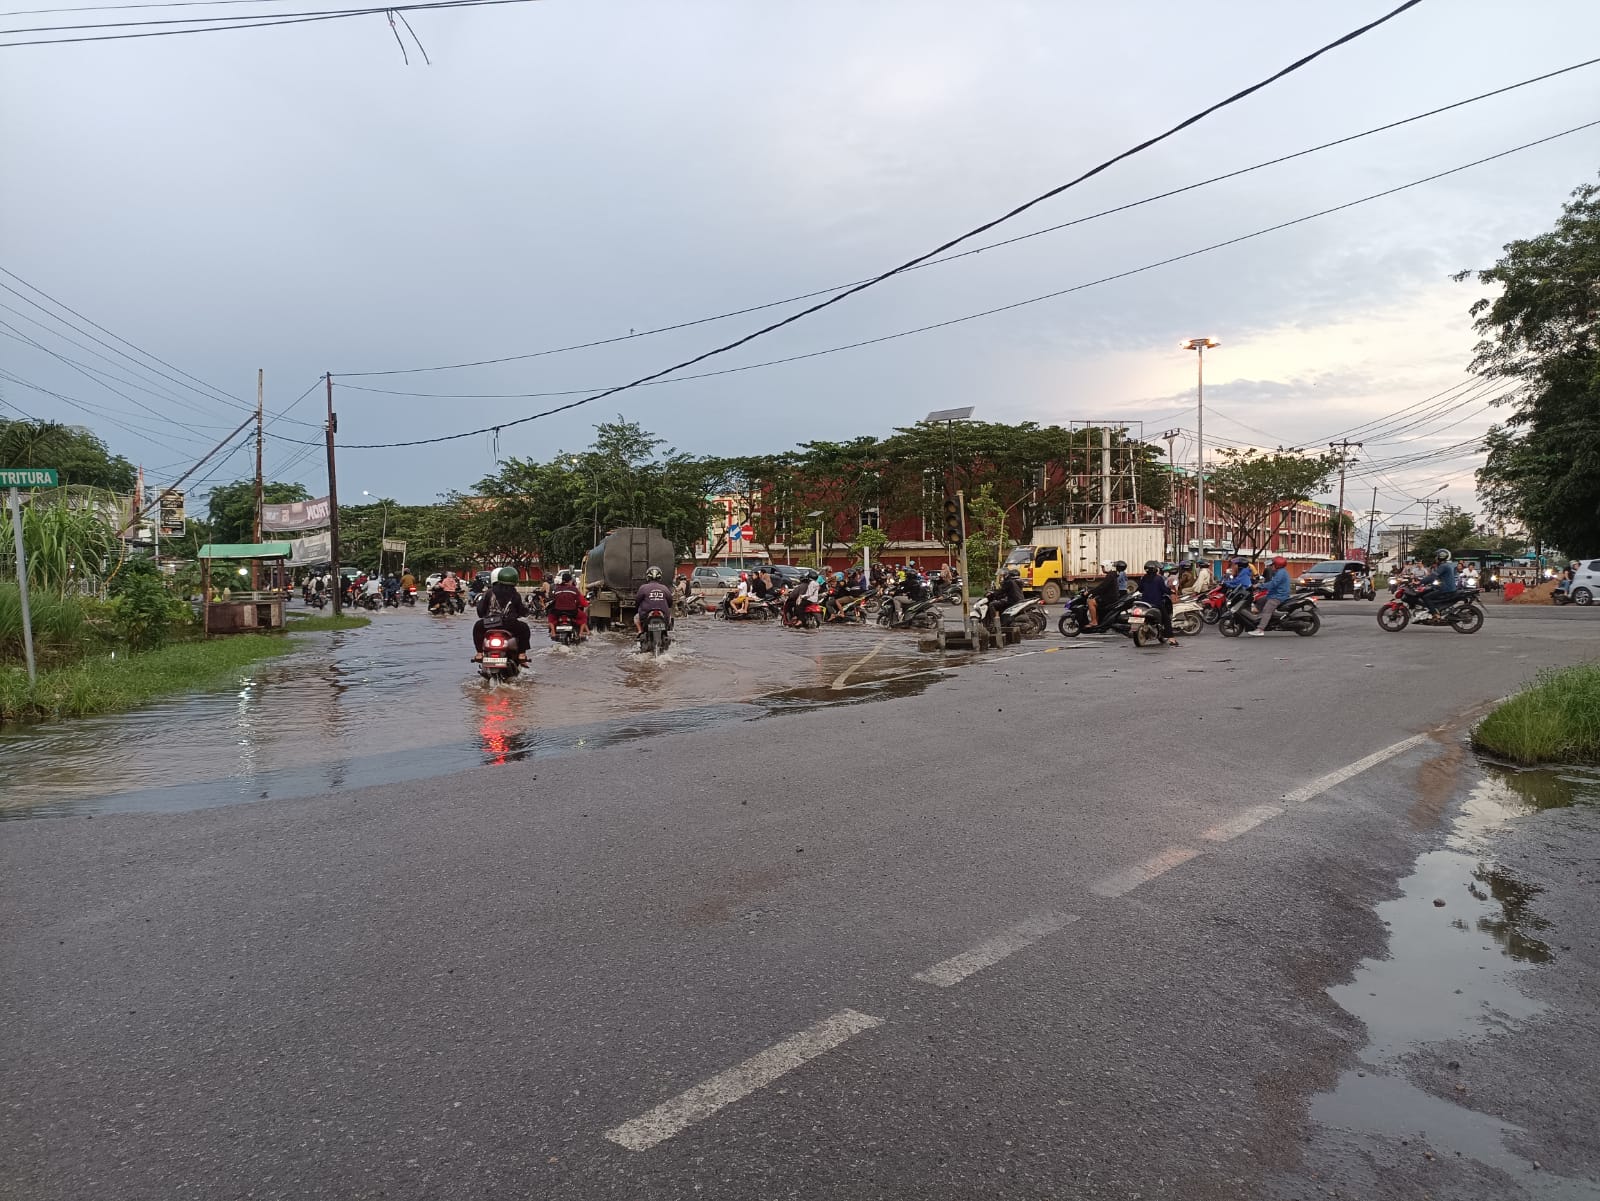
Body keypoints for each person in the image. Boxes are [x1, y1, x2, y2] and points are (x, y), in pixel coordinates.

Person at [472, 566, 531, 662]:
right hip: (509, 624)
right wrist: (524, 612)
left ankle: (479, 653)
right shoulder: (515, 594)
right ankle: (521, 654)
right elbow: (521, 611)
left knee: (477, 626)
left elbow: (480, 611)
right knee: (524, 628)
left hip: (489, 623)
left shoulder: (488, 592)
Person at [1136, 559, 1180, 646]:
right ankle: (1171, 639)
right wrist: (1171, 592)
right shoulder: (1158, 578)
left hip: (1144, 603)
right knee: (1167, 619)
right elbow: (1164, 589)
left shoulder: (1144, 578)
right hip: (1156, 603)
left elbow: (1140, 589)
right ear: (1155, 569)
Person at [1249, 555, 1292, 637]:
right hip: (1273, 594)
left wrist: (1260, 586)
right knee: (1260, 600)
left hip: (1279, 596)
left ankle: (1260, 629)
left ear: (1277, 565)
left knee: (1266, 610)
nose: (1270, 566)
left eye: (1272, 565)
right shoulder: (1277, 572)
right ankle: (1264, 618)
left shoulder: (1281, 573)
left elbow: (1273, 584)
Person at [547, 570, 588, 639]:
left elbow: (553, 599)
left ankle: (553, 633)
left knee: (550, 617)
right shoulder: (574, 589)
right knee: (584, 616)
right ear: (570, 581)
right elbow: (582, 602)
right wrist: (586, 604)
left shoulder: (557, 589)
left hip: (558, 611)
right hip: (571, 611)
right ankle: (581, 633)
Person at [635, 566, 674, 635]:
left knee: (636, 617)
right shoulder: (664, 588)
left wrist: (637, 607)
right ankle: (667, 632)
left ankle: (640, 631)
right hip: (664, 614)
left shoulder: (643, 587)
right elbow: (670, 602)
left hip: (645, 615)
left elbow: (637, 601)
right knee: (670, 617)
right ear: (660, 577)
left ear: (647, 577)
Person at [1418, 548, 1458, 616]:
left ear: (1441, 557)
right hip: (1446, 587)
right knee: (1430, 590)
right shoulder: (1446, 565)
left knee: (1426, 597)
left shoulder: (1443, 566)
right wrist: (1426, 582)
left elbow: (1432, 576)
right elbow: (1435, 577)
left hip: (1445, 589)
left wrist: (1420, 582)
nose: (1435, 558)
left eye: (1437, 556)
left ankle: (1435, 614)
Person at [1087, 561, 1122, 629]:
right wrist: (1092, 591)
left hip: (1109, 598)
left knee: (1090, 602)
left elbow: (1102, 587)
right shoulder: (1112, 574)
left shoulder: (1110, 575)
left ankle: (1094, 621)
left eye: (1103, 567)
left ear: (1107, 566)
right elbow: (1102, 587)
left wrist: (1090, 592)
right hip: (1111, 597)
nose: (1102, 569)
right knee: (1095, 600)